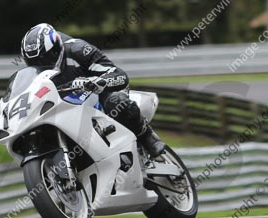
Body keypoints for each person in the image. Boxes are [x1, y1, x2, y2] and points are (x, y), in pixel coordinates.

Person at [20, 23, 167, 158]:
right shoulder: (33, 74)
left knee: (115, 102)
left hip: (98, 91)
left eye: (45, 59)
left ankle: (147, 137)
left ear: (57, 48)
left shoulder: (78, 49)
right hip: (67, 102)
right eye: (34, 63)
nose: (41, 65)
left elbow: (120, 75)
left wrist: (97, 82)